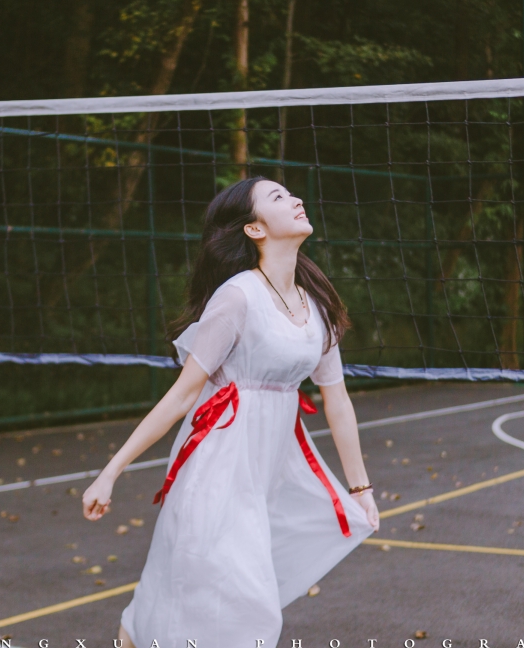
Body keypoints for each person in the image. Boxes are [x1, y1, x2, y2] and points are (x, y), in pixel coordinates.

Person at [80, 176, 380, 647]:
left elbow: (336, 398)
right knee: (249, 609)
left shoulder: (316, 304)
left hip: (270, 476)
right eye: (278, 197)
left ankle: (134, 632)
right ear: (255, 229)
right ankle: (137, 631)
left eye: (291, 193)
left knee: (191, 594)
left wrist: (360, 487)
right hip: (215, 469)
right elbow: (182, 396)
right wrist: (111, 471)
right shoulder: (237, 297)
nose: (296, 199)